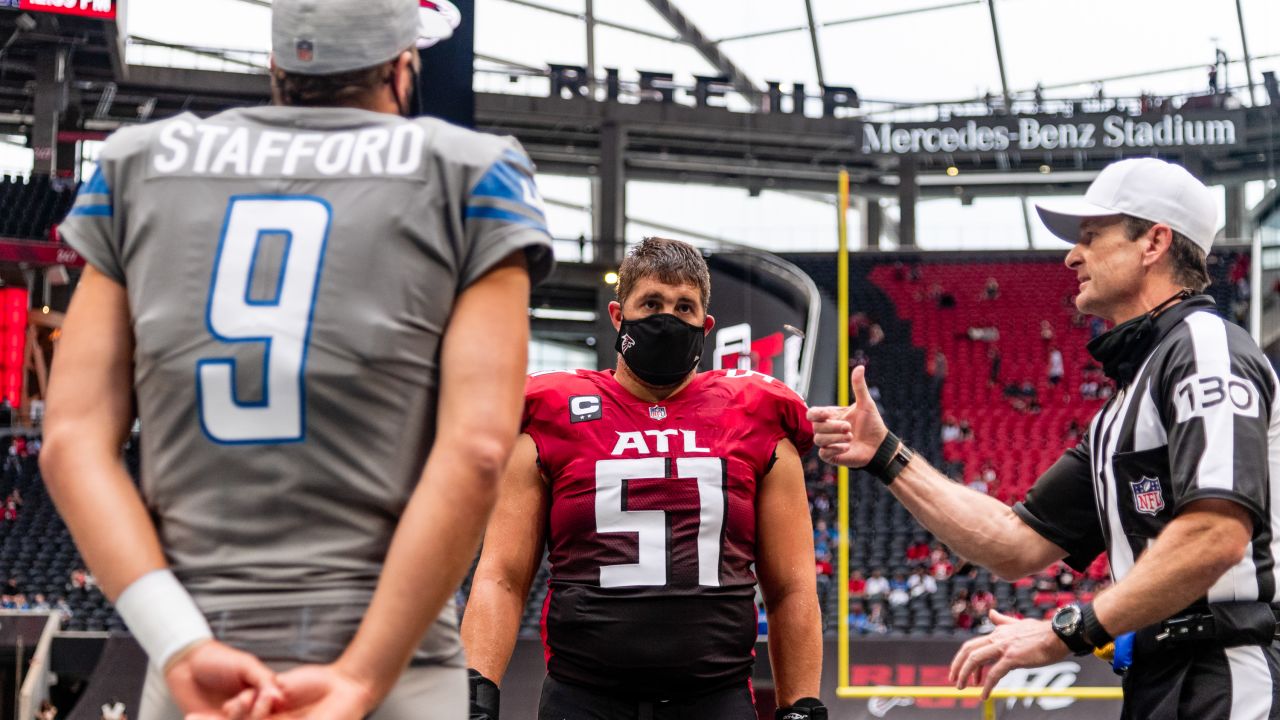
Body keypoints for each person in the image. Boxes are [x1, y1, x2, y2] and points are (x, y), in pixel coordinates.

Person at [41, 1, 552, 718]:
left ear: (276, 67)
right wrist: (362, 677)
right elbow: (475, 451)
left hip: (203, 651)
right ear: (402, 68)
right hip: (395, 655)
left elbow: (69, 445)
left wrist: (182, 645)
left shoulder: (135, 166)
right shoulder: (471, 173)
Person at [810, 158, 1280, 717]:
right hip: (1164, 677)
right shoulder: (1121, 408)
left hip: (1226, 670)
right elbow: (1015, 544)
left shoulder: (1205, 347)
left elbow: (1214, 534)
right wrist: (886, 454)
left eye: (1090, 236)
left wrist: (1066, 631)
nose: (1071, 256)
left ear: (1154, 242)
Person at [460, 238, 826, 720]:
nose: (667, 318)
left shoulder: (755, 415)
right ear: (618, 314)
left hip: (714, 701)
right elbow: (503, 576)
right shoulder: (554, 413)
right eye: (651, 303)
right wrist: (473, 688)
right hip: (583, 699)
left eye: (684, 307)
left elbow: (791, 587)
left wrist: (799, 705)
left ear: (705, 325)